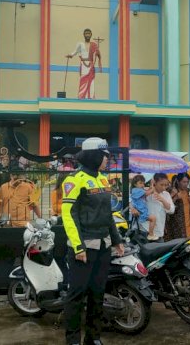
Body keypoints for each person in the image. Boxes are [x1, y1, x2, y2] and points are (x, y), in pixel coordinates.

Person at [61, 137, 124, 345]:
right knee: (76, 295)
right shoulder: (74, 180)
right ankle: (72, 340)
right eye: (104, 156)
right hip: (84, 248)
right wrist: (78, 246)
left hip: (103, 246)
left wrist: (116, 239)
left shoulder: (103, 180)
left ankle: (93, 337)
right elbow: (69, 215)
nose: (107, 160)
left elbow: (108, 214)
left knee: (97, 294)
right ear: (94, 156)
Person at [66, 28, 102, 99]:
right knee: (83, 81)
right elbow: (75, 52)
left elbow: (98, 54)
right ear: (84, 35)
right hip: (83, 66)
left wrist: (97, 52)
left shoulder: (94, 45)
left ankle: (91, 97)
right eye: (86, 33)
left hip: (91, 66)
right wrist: (70, 55)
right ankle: (82, 97)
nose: (87, 35)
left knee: (91, 82)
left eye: (89, 33)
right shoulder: (80, 44)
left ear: (91, 35)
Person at [139, 173, 175, 241]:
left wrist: (163, 200)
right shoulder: (146, 191)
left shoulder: (166, 194)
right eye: (161, 184)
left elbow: (171, 210)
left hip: (159, 230)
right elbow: (137, 200)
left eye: (166, 185)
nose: (164, 187)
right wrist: (150, 190)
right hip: (145, 229)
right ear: (155, 182)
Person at [166, 173, 190, 241]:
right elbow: (167, 207)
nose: (186, 184)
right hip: (177, 225)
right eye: (184, 182)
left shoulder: (189, 191)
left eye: (187, 182)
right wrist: (175, 197)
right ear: (178, 181)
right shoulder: (172, 190)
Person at [129, 175, 158, 241]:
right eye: (140, 183)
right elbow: (148, 192)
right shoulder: (136, 190)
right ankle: (151, 234)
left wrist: (151, 185)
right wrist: (153, 187)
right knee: (153, 218)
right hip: (141, 211)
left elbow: (147, 191)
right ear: (135, 184)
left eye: (143, 183)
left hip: (141, 210)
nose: (142, 185)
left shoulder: (138, 190)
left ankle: (151, 233)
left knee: (153, 219)